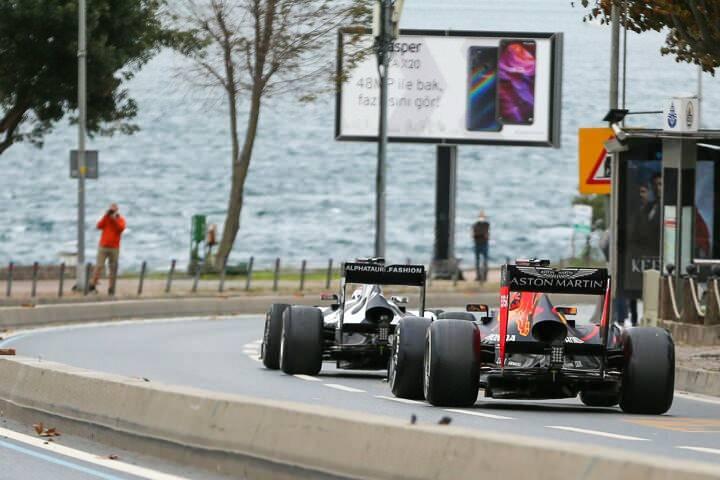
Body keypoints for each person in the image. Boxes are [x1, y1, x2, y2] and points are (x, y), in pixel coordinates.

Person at [90, 203, 126, 294]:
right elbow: (99, 226)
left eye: (114, 210)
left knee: (113, 268)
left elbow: (121, 229)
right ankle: (92, 285)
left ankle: (111, 288)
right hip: (103, 246)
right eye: (111, 210)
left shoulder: (121, 219)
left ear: (117, 210)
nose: (112, 212)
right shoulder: (106, 218)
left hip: (114, 247)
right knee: (99, 266)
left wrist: (114, 220)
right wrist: (106, 216)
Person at [471, 211, 490, 282]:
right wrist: (481, 234)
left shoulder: (486, 224)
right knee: (477, 261)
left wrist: (478, 234)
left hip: (483, 244)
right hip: (478, 244)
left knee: (485, 261)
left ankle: (484, 276)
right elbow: (474, 234)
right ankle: (478, 276)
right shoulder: (475, 225)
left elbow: (484, 233)